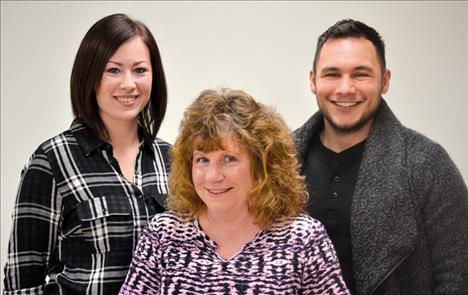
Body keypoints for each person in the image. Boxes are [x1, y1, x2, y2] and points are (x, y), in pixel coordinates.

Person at [294, 18, 468, 295]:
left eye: (361, 74)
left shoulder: (427, 164)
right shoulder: (279, 161)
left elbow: (458, 277)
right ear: (313, 80)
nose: (345, 89)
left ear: (384, 81)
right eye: (332, 74)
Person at [118, 88, 350, 294]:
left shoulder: (303, 238)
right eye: (202, 160)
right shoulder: (163, 235)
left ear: (262, 164)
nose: (212, 176)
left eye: (228, 159)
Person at [3, 13, 170, 294]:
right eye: (113, 70)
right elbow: (21, 283)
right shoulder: (52, 161)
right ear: (90, 75)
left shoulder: (174, 160)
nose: (128, 84)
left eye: (140, 70)